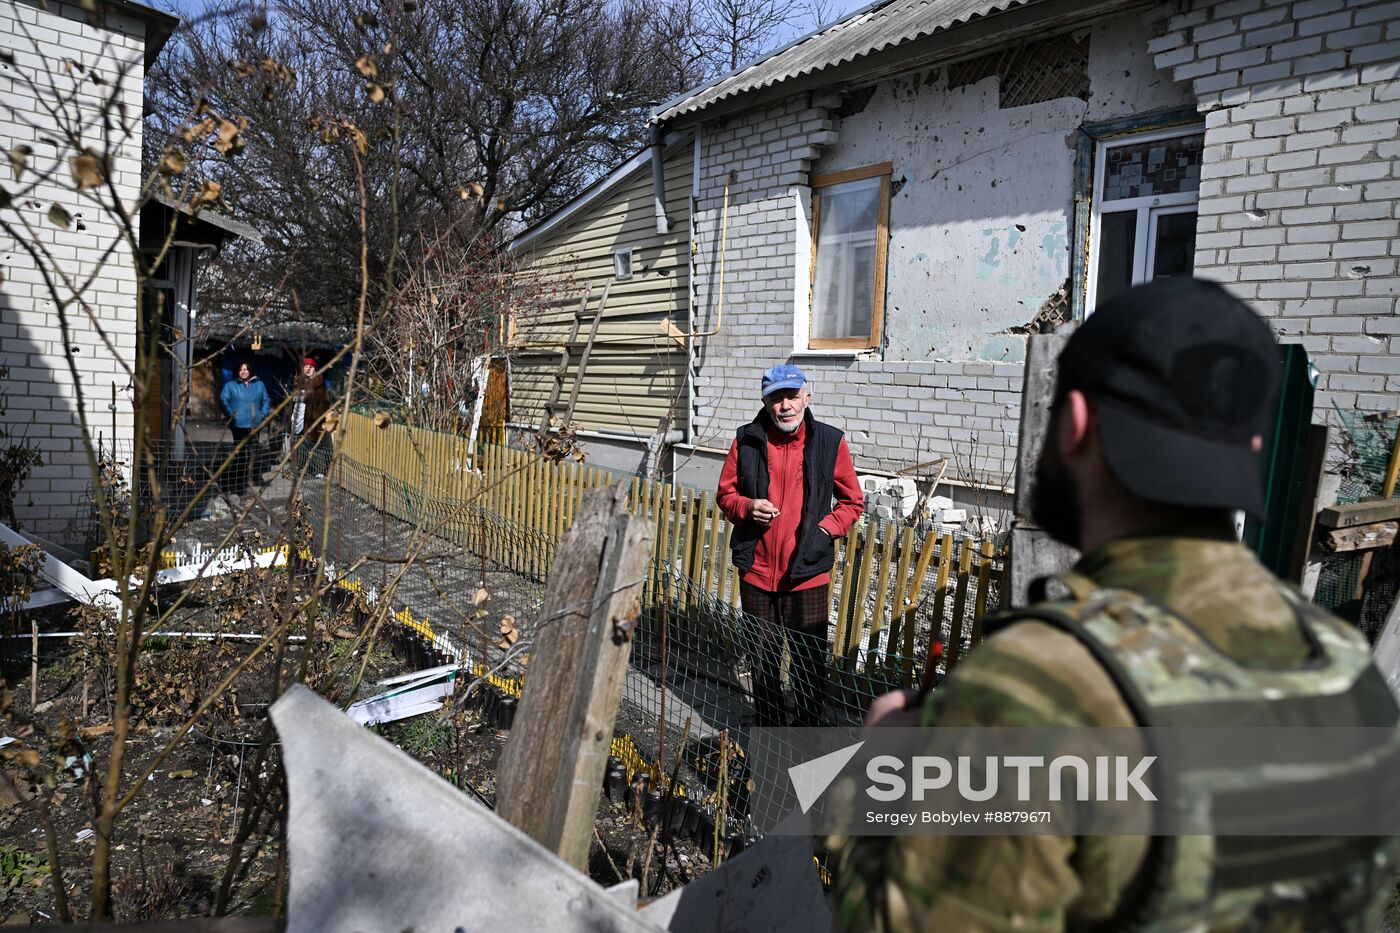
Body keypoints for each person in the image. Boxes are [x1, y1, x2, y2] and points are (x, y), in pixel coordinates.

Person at [831, 277, 1400, 930]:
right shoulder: (1348, 670)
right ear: (1250, 449)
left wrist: (882, 778)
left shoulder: (1043, 688)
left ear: (1073, 425)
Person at [717, 364, 864, 727]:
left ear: (806, 398)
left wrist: (824, 531)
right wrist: (748, 507)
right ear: (765, 402)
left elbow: (852, 503)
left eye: (792, 396)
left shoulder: (830, 441)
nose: (785, 406)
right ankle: (769, 733)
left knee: (808, 664)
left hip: (807, 573)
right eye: (776, 398)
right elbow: (725, 495)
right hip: (757, 572)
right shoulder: (746, 440)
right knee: (763, 661)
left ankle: (807, 734)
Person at [219, 359, 270, 494]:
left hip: (254, 424)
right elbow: (223, 400)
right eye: (241, 369)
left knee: (253, 453)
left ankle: (251, 479)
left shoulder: (259, 385)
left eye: (246, 369)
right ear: (237, 371)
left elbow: (266, 400)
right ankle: (239, 483)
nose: (243, 372)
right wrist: (231, 414)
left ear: (250, 370)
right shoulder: (231, 385)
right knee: (241, 454)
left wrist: (263, 414)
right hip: (238, 425)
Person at [289, 356, 331, 473]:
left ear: (315, 370)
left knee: (315, 446)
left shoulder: (319, 385)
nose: (308, 369)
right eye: (306, 366)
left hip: (312, 420)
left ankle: (320, 470)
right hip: (298, 418)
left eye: (311, 367)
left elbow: (325, 403)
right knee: (298, 443)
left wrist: (316, 416)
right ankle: (298, 466)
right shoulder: (298, 383)